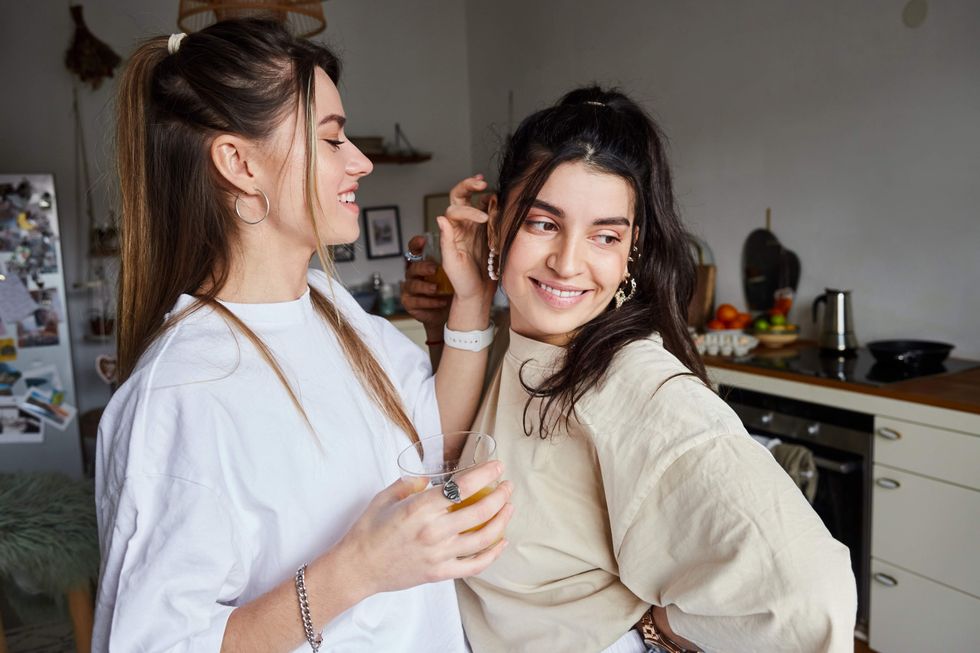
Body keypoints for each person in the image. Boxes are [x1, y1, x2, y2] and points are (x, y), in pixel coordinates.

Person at [96, 19, 511, 652]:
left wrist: (472, 304)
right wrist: (358, 570)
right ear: (238, 163)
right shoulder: (182, 393)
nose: (361, 162)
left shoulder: (330, 307)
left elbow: (429, 441)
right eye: (332, 139)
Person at [403, 87, 857, 652]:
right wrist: (467, 298)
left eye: (605, 235)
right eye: (543, 224)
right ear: (496, 222)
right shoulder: (524, 345)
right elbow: (444, 457)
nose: (568, 263)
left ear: (632, 250)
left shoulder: (635, 384)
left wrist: (653, 632)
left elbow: (806, 598)